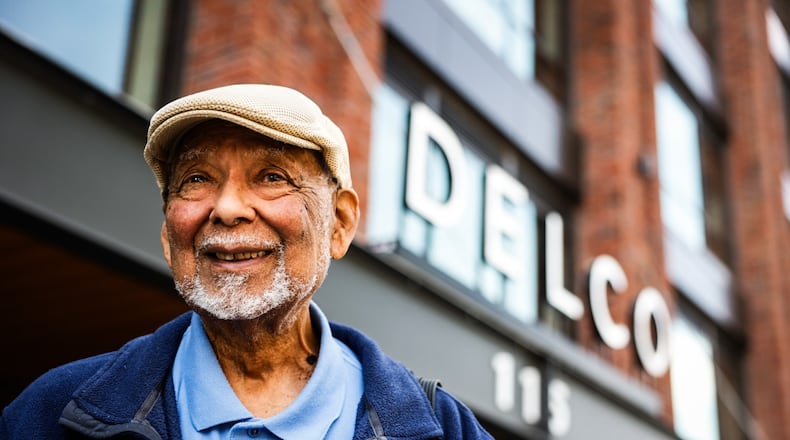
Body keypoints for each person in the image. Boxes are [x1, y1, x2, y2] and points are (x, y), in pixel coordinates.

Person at [1, 84, 493, 439]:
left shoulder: (444, 428)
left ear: (339, 224)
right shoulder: (48, 414)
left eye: (272, 175)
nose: (228, 207)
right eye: (195, 179)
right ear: (169, 236)